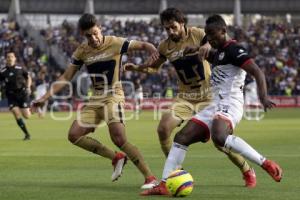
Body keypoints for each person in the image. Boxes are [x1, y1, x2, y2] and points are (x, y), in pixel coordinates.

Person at [141, 14, 283, 196]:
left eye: (213, 35)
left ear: (224, 31)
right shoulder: (220, 52)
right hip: (215, 104)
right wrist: (194, 50)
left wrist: (263, 97)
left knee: (219, 137)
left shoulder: (234, 50)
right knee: (181, 138)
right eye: (207, 36)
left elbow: (257, 72)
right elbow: (213, 57)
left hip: (231, 103)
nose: (210, 39)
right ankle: (164, 183)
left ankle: (265, 163)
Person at [125, 8, 255, 188]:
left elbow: (213, 44)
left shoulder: (198, 34)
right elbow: (154, 67)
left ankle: (247, 170)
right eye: (167, 29)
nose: (170, 32)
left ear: (182, 24)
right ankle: (175, 173)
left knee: (220, 142)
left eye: (173, 27)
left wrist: (205, 47)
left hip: (209, 97)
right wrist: (137, 68)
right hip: (185, 98)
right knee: (163, 129)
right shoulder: (165, 46)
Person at [32, 13, 157, 189]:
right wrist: (44, 98)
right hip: (95, 99)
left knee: (119, 138)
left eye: (95, 33)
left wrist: (153, 51)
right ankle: (116, 157)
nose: (93, 38)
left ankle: (150, 178)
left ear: (100, 29)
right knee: (74, 135)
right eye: (88, 35)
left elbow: (144, 45)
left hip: (113, 94)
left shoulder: (115, 42)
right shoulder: (82, 51)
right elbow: (66, 76)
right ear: (83, 35)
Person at [0, 52, 32, 140]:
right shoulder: (3, 71)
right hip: (11, 96)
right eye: (8, 57)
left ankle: (32, 108)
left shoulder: (20, 68)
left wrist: (28, 87)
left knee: (27, 116)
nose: (10, 58)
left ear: (15, 58)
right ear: (6, 59)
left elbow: (28, 77)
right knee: (16, 113)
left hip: (22, 94)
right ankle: (27, 134)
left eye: (11, 57)